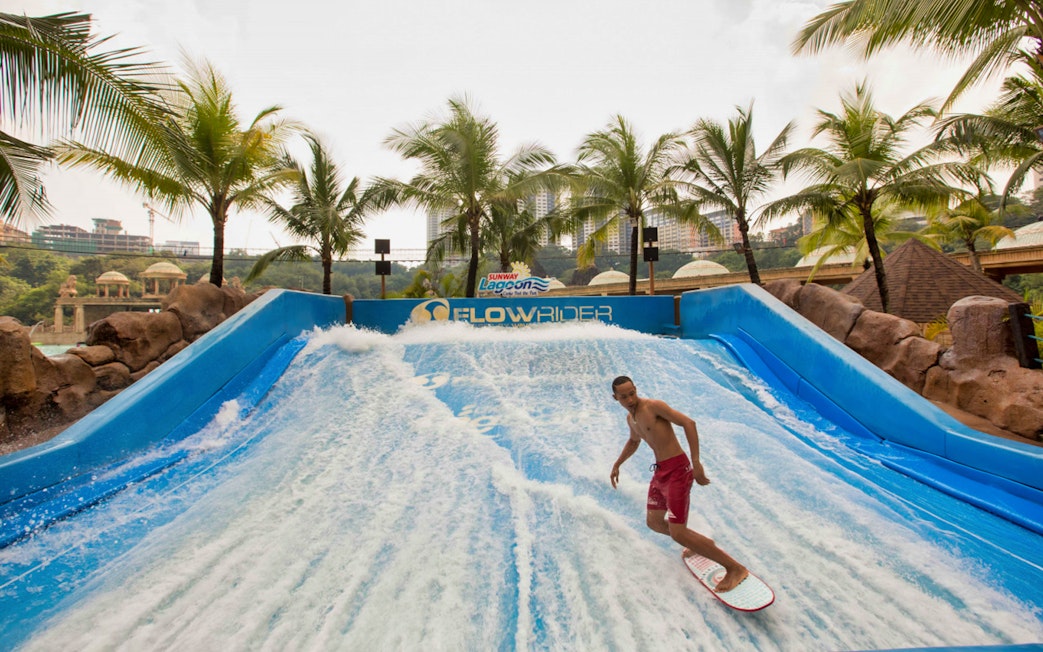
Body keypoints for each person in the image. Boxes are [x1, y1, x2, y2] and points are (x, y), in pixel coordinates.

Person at [608, 375, 749, 592]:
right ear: (615, 397)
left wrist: (696, 463)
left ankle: (735, 568)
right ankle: (698, 543)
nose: (630, 399)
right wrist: (617, 464)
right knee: (654, 522)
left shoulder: (653, 407)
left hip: (678, 471)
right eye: (624, 397)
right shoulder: (631, 419)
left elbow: (688, 423)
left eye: (632, 393)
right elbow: (634, 441)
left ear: (636, 389)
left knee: (677, 533)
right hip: (661, 473)